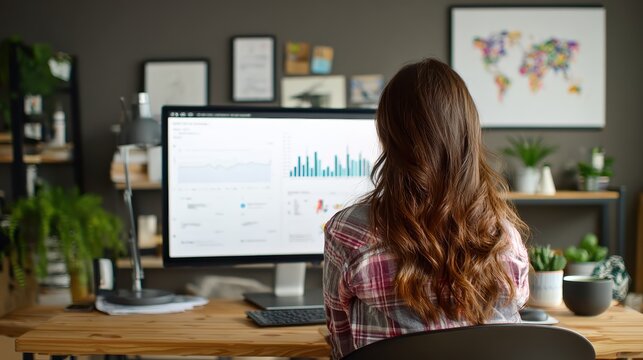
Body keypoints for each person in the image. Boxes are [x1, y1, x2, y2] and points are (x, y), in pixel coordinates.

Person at [323, 58, 529, 359]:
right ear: (469, 136)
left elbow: (341, 341)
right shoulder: (504, 237)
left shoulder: (350, 231)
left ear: (387, 137)